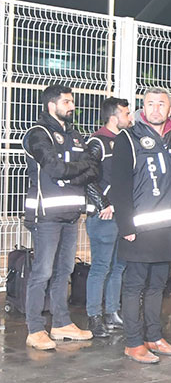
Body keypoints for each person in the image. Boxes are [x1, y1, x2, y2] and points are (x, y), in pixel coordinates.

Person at [109, 88, 171, 364]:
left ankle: (154, 336)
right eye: (150, 104)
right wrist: (126, 225)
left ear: (170, 109)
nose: (156, 109)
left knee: (157, 286)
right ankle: (133, 342)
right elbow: (118, 185)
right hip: (140, 230)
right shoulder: (128, 139)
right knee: (134, 286)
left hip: (169, 228)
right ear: (143, 108)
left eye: (161, 104)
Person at [22, 84, 100, 350]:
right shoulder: (38, 134)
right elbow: (53, 169)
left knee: (64, 271)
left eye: (72, 102)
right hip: (46, 216)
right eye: (66, 102)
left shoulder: (75, 135)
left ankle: (61, 323)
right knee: (42, 272)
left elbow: (94, 169)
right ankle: (34, 329)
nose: (72, 106)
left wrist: (74, 171)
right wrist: (78, 170)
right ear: (51, 105)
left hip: (70, 215)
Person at [84, 97, 132, 338]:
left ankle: (112, 312)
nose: (129, 117)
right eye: (126, 113)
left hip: (122, 215)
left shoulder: (125, 141)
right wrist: (105, 203)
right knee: (101, 267)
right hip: (104, 216)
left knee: (119, 266)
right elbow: (88, 177)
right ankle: (94, 317)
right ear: (114, 116)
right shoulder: (97, 142)